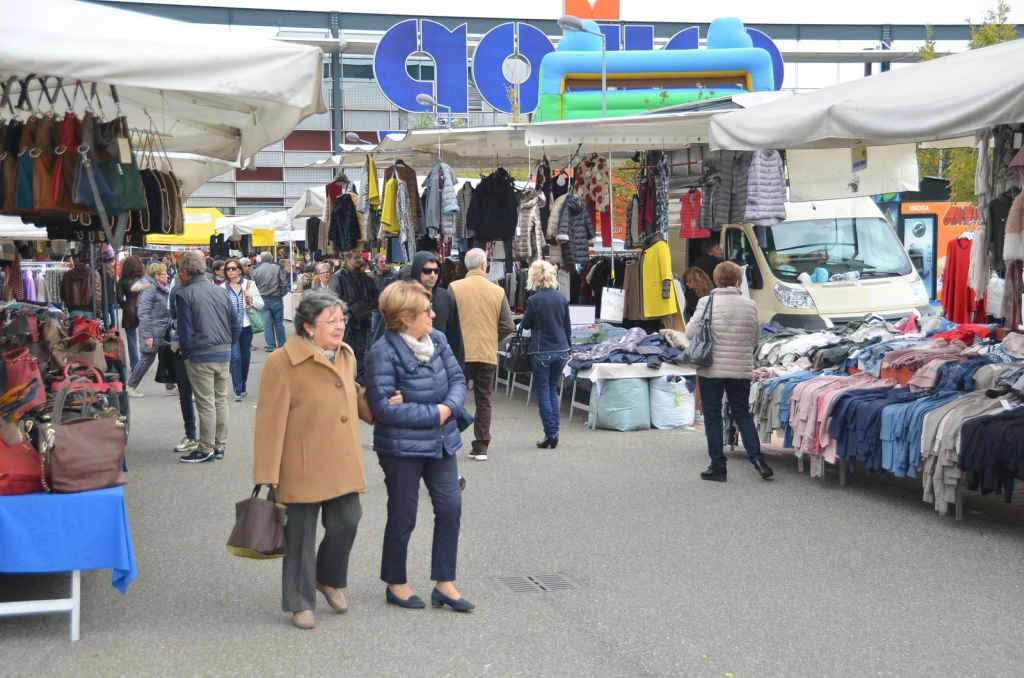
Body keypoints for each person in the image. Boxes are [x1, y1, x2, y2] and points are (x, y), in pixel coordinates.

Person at [254, 291, 375, 630]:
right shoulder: (282, 361)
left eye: (342, 319)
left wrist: (378, 407)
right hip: (300, 461)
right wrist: (267, 471)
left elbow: (350, 391)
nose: (340, 326)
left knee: (348, 520)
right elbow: (269, 420)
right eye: (331, 321)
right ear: (308, 326)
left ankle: (328, 578)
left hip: (341, 459)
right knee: (300, 535)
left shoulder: (345, 354)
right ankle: (300, 601)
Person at [365, 281, 473, 612]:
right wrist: (435, 412)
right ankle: (395, 582)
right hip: (401, 448)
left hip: (441, 442)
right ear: (405, 317)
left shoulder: (438, 340)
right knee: (403, 515)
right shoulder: (382, 352)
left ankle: (445, 583)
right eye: (426, 311)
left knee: (450, 508)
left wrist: (440, 407)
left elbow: (458, 381)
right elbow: (384, 409)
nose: (433, 315)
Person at [685, 261, 773, 482]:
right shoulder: (750, 305)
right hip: (740, 369)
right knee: (742, 413)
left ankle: (718, 466)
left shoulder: (706, 302)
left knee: (713, 416)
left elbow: (690, 332)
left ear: (716, 280)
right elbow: (755, 338)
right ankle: (758, 460)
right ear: (738, 280)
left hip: (711, 369)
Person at [449, 248, 515, 461]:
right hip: (486, 352)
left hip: (460, 353)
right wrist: (492, 338)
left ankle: (449, 441)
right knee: (484, 399)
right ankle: (481, 445)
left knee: (453, 397)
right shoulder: (497, 291)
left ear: (466, 265)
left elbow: (447, 320)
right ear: (484, 265)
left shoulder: (454, 288)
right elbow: (508, 325)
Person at [175, 250, 240, 464]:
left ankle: (206, 447)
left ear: (185, 272)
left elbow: (185, 330)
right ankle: (219, 445)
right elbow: (236, 322)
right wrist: (230, 342)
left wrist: (186, 352)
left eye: (180, 271)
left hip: (200, 353)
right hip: (223, 351)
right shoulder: (221, 291)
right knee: (220, 399)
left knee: (206, 403)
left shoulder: (184, 294)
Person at [521, 260, 571, 449]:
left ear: (534, 277)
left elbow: (526, 325)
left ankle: (550, 433)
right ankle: (554, 432)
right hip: (561, 349)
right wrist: (569, 347)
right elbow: (567, 326)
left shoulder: (534, 300)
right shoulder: (561, 298)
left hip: (541, 350)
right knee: (552, 389)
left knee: (543, 390)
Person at [124, 263, 172, 398]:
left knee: (168, 354)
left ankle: (171, 383)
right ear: (156, 275)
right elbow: (144, 313)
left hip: (162, 329)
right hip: (153, 330)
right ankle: (130, 386)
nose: (167, 276)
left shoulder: (159, 287)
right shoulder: (150, 289)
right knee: (147, 358)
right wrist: (147, 336)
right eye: (164, 273)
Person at [330, 249, 378, 383]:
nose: (360, 260)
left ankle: (359, 383)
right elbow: (333, 301)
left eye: (360, 257)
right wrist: (351, 311)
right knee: (345, 354)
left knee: (361, 354)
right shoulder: (338, 277)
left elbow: (375, 297)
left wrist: (365, 308)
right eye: (356, 258)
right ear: (348, 259)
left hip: (363, 322)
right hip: (347, 325)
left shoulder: (365, 278)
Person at [410, 251, 464, 365]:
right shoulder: (405, 297)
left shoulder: (445, 297)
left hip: (439, 362)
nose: (432, 275)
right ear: (417, 271)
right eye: (427, 271)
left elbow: (454, 334)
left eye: (436, 271)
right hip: (411, 361)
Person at [224, 257, 264, 401]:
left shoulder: (249, 284)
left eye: (233, 268)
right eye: (228, 269)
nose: (231, 271)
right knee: (235, 358)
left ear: (240, 270)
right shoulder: (222, 288)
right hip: (230, 329)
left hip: (246, 327)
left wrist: (251, 300)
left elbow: (261, 304)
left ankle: (243, 385)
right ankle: (238, 389)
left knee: (245, 358)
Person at [252, 252, 289, 352]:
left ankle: (270, 345)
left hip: (263, 299)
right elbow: (284, 283)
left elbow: (253, 287)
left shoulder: (255, 271)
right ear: (271, 259)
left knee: (267, 324)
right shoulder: (277, 268)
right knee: (279, 323)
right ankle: (282, 344)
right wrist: (281, 294)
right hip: (276, 298)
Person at [117, 255, 145, 371]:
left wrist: (125, 305)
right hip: (142, 308)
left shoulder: (123, 281)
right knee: (144, 338)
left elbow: (119, 298)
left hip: (129, 308)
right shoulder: (143, 280)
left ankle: (135, 364)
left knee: (131, 339)